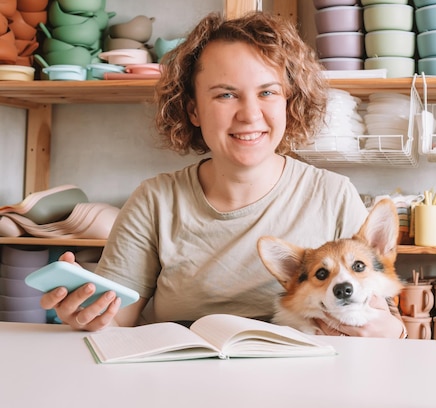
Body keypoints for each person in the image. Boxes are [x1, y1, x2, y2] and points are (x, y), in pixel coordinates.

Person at [40, 11, 406, 338]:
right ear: (193, 110)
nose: (249, 114)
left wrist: (392, 331)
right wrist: (89, 314)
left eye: (267, 92)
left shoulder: (333, 193)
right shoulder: (155, 201)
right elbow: (117, 320)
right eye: (226, 95)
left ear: (289, 102)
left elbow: (382, 315)